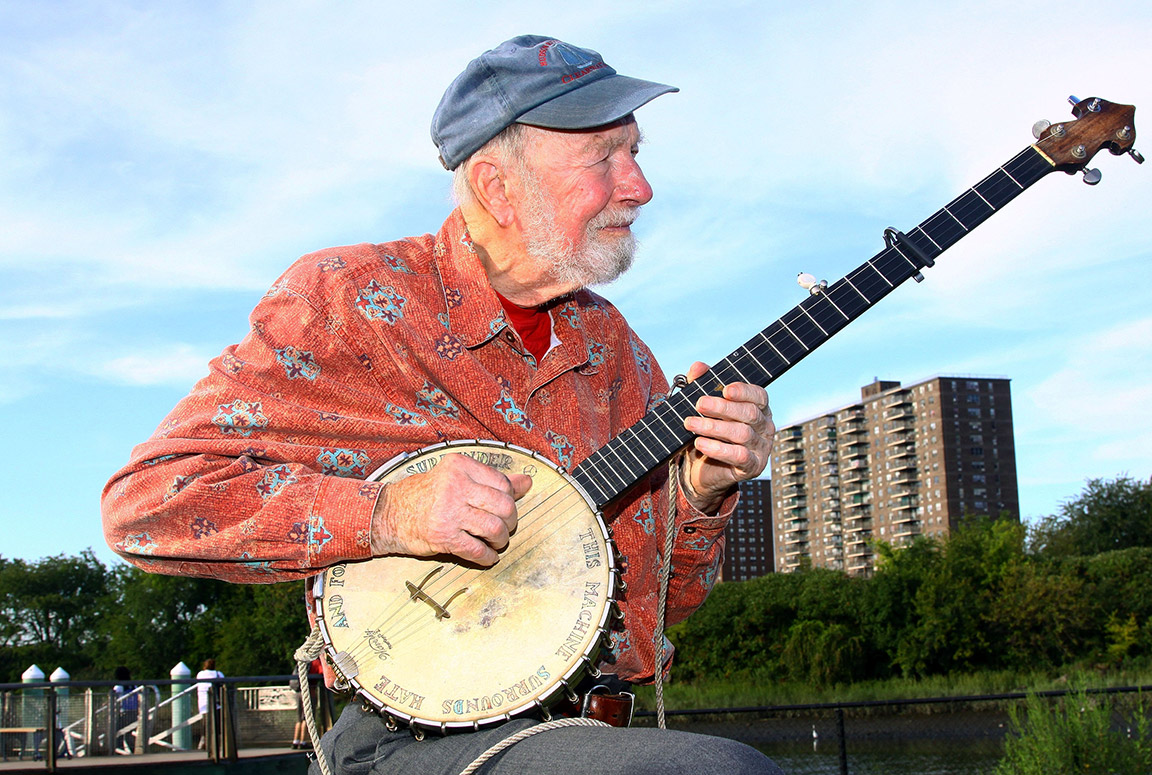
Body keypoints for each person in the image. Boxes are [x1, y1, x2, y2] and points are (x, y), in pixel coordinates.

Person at [101, 35, 780, 775]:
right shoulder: (350, 302)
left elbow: (658, 611)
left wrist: (702, 492)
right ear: (497, 187)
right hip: (405, 742)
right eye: (603, 158)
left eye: (636, 153)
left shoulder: (614, 352)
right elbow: (145, 505)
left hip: (589, 729)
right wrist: (389, 513)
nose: (639, 187)